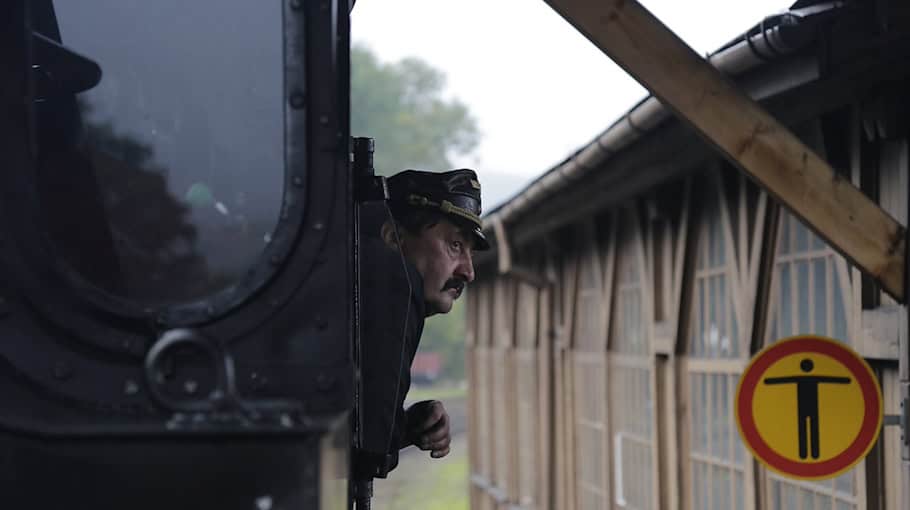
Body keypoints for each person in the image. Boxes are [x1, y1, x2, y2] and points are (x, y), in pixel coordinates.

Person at [357, 168, 489, 478]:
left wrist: (405, 426)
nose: (469, 272)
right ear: (394, 239)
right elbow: (370, 449)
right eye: (455, 245)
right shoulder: (392, 286)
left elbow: (358, 438)